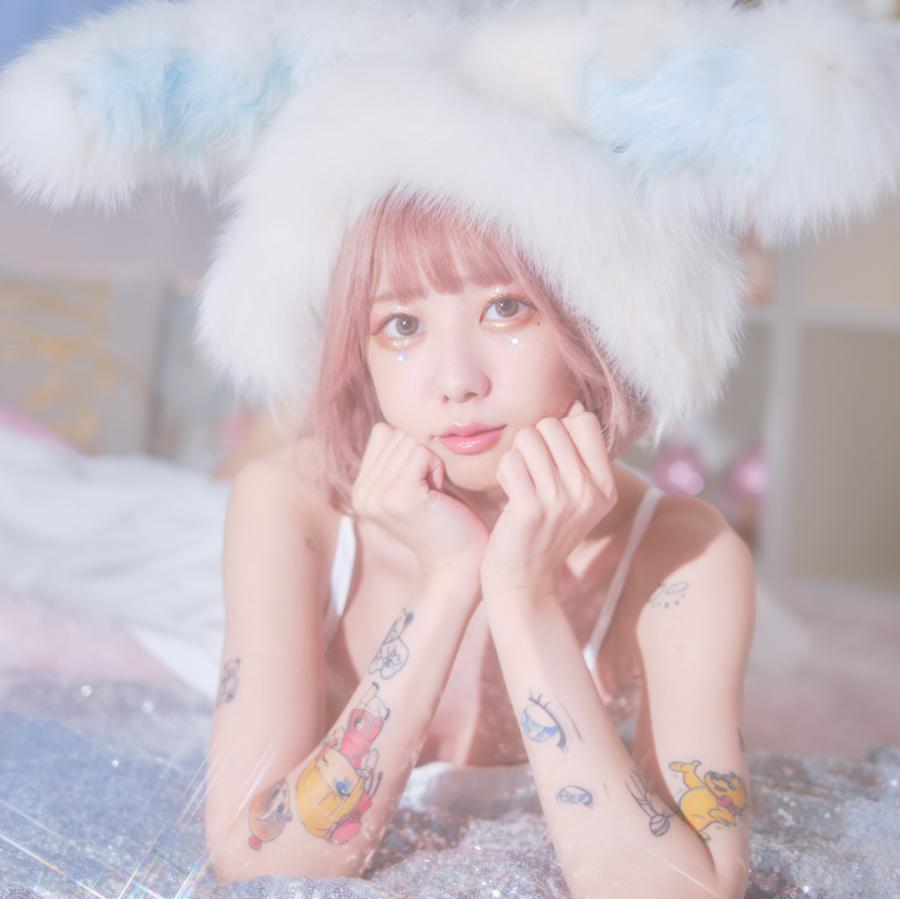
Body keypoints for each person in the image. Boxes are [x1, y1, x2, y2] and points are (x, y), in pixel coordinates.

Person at [1, 1, 897, 896]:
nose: (454, 380)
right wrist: (446, 581)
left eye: (506, 309)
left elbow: (688, 889)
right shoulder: (289, 504)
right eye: (400, 324)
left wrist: (521, 592)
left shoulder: (688, 559)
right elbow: (257, 857)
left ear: (590, 320)